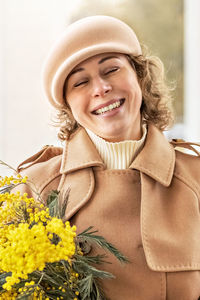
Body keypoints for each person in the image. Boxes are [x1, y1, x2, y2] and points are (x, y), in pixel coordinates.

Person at [16, 15, 200, 299]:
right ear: (68, 107)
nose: (100, 88)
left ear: (140, 75)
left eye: (111, 69)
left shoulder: (195, 178)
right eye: (80, 82)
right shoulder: (35, 189)